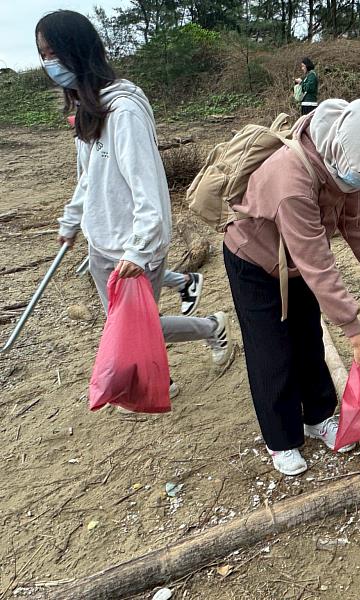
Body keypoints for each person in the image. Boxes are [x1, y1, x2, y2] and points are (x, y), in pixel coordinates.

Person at [38, 10, 233, 401]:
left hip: (133, 249)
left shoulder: (123, 110)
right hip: (101, 243)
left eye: (53, 53)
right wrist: (72, 221)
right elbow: (89, 177)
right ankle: (167, 371)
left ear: (77, 51)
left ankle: (212, 327)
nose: (48, 65)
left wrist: (140, 249)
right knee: (121, 324)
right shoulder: (87, 111)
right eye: (42, 55)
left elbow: (149, 187)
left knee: (136, 326)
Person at [223, 98, 360, 477]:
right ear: (349, 154)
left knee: (309, 340)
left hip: (296, 265)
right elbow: (319, 265)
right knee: (271, 352)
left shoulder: (345, 162)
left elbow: (357, 225)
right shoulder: (292, 182)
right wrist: (357, 336)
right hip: (256, 263)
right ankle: (281, 439)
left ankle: (318, 416)